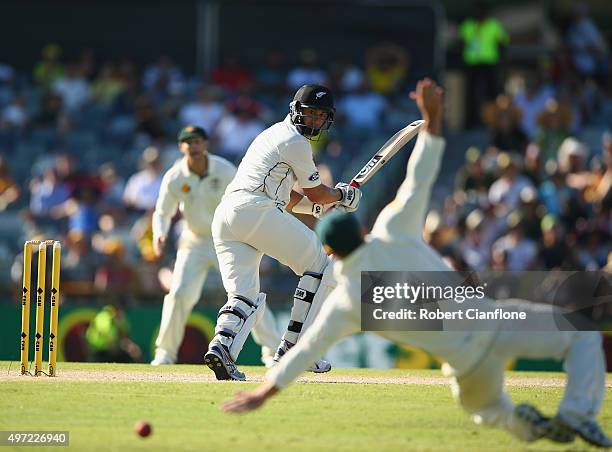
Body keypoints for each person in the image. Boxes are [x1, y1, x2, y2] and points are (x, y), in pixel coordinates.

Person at [222, 79, 611, 449]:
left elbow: (302, 356)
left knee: (491, 412)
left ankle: (518, 423)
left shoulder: (347, 301)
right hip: (492, 325)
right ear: (359, 233)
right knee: (583, 335)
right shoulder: (394, 229)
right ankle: (576, 413)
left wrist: (262, 394)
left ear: (333, 252)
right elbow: (421, 173)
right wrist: (435, 119)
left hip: (465, 372)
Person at [203, 84, 362, 381]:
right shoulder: (296, 142)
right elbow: (317, 193)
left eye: (319, 115)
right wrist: (341, 196)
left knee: (243, 295)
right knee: (321, 265)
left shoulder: (271, 133)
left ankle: (221, 346)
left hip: (227, 215)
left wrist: (316, 207)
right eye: (310, 113)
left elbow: (288, 195)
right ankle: (296, 351)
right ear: (295, 110)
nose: (314, 121)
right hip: (254, 209)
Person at [150, 125, 281, 365]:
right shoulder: (175, 177)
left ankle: (273, 352)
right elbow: (162, 212)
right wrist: (160, 233)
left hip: (228, 238)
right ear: (181, 147)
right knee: (178, 294)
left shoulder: (223, 169)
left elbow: (245, 199)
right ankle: (165, 354)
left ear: (206, 144)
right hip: (195, 240)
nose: (194, 146)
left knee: (247, 296)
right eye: (189, 142)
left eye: (198, 141)